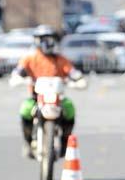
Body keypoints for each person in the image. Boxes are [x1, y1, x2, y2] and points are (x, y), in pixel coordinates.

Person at [10, 25, 86, 158]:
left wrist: (78, 80)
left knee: (70, 108)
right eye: (45, 39)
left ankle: (64, 141)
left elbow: (74, 73)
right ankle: (28, 142)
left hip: (58, 99)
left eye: (51, 39)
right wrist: (18, 78)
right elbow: (18, 71)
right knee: (25, 109)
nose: (49, 42)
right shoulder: (30, 58)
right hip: (36, 98)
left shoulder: (61, 60)